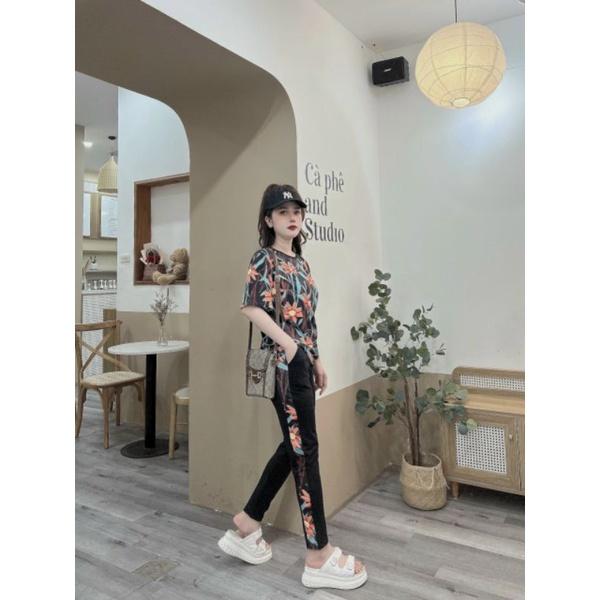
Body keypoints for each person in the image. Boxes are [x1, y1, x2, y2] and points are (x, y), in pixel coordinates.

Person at [217, 183, 367, 590]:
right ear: (269, 220)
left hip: (301, 362)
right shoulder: (263, 258)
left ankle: (247, 522)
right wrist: (290, 347)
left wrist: (315, 358)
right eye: (283, 212)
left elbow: (307, 319)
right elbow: (251, 306)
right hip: (283, 365)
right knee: (306, 451)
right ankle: (318, 554)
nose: (292, 217)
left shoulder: (301, 263)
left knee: (294, 445)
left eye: (296, 211)